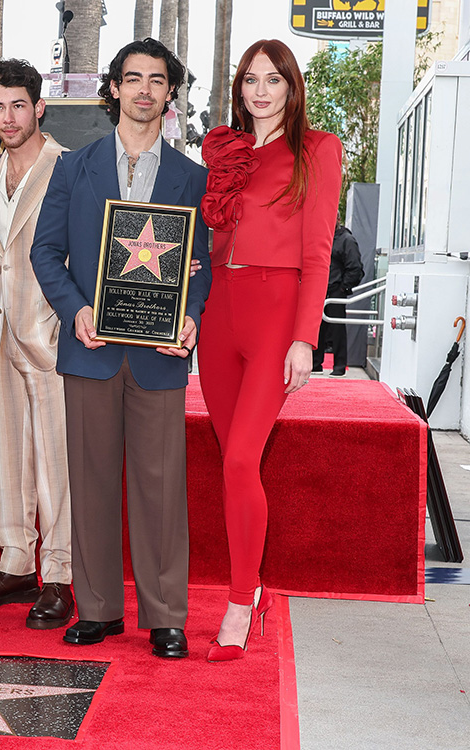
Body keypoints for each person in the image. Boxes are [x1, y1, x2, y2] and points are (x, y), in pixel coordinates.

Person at [31, 38, 211, 658]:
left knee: (162, 487)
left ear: (169, 92)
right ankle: (100, 609)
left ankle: (166, 615)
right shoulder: (72, 168)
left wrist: (188, 315)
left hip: (160, 357)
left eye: (155, 80)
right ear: (113, 89)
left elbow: (201, 264)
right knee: (93, 481)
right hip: (91, 348)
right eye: (131, 78)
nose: (143, 90)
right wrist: (77, 310)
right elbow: (44, 253)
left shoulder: (192, 177)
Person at [197, 39, 343, 661]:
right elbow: (203, 247)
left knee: (239, 463)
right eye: (250, 79)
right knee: (235, 461)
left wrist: (304, 338)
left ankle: (239, 600)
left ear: (291, 86)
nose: (260, 91)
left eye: (272, 80)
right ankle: (248, 585)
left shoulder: (317, 149)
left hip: (276, 314)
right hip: (218, 317)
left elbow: (317, 254)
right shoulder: (225, 151)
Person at [0, 59, 73, 629]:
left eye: (18, 105)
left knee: (55, 461)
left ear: (39, 107)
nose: (7, 117)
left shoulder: (67, 170)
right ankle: (16, 560)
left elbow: (84, 253)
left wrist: (64, 318)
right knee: (9, 454)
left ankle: (60, 573)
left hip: (51, 335)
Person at [312, 223, 362, 377]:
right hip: (322, 289)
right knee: (317, 327)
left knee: (337, 329)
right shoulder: (324, 238)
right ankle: (316, 364)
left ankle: (339, 366)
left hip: (335, 289)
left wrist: (342, 288)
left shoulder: (346, 240)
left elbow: (355, 267)